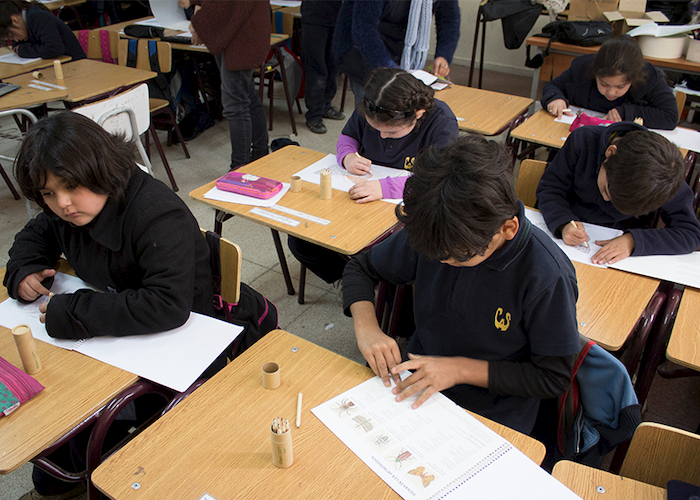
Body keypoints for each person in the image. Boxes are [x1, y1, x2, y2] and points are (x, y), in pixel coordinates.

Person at [4, 112, 215, 499]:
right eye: (48, 194)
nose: (63, 204)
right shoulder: (69, 210)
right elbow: (36, 233)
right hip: (117, 338)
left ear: (99, 168)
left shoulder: (155, 211)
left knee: (71, 452)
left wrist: (72, 312)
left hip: (185, 344)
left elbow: (168, 305)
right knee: (51, 462)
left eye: (70, 186)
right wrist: (23, 270)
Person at [342, 135, 581, 434]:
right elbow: (361, 267)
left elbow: (553, 377)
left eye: (456, 258)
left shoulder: (547, 276)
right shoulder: (440, 226)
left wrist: (457, 369)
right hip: (416, 382)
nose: (443, 262)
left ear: (507, 229)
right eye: (436, 256)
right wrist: (367, 328)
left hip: (494, 410)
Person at [288, 67, 459, 285]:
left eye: (391, 133)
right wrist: (347, 156)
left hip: (406, 208)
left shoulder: (441, 121)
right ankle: (351, 280)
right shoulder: (371, 107)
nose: (382, 136)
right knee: (300, 239)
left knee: (392, 250)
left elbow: (439, 178)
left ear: (418, 114)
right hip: (357, 196)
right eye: (374, 128)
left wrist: (384, 188)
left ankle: (376, 280)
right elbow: (348, 136)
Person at [537, 122, 700, 265]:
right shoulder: (583, 141)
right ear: (610, 153)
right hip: (564, 246)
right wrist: (562, 222)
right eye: (607, 189)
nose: (606, 198)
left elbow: (690, 233)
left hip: (618, 262)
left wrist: (633, 241)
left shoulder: (664, 180)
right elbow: (550, 188)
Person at [186, 0, 270, 170]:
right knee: (246, 95)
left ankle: (239, 168)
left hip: (242, 37)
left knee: (236, 105)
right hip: (239, 34)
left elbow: (224, 4)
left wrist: (198, 21)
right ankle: (260, 153)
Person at [541, 37, 678, 130]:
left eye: (620, 86)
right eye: (604, 84)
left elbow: (670, 117)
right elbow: (553, 86)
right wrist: (555, 98)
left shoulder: (649, 78)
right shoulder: (583, 68)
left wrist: (625, 112)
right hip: (578, 135)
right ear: (595, 73)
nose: (611, 92)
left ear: (634, 79)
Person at [334, 0, 460, 100]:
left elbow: (448, 19)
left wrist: (443, 55)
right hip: (364, 51)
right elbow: (364, 30)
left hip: (400, 49)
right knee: (370, 112)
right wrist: (390, 68)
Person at [300, 0, 345, 135]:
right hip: (314, 19)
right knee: (317, 70)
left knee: (333, 68)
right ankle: (314, 115)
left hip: (336, 18)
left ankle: (326, 105)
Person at [0, 0, 86, 61]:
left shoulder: (38, 17)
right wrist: (21, 48)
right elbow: (18, 47)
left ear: (14, 20)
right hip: (55, 65)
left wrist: (22, 50)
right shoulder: (25, 24)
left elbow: (54, 48)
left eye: (12, 36)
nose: (15, 40)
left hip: (75, 64)